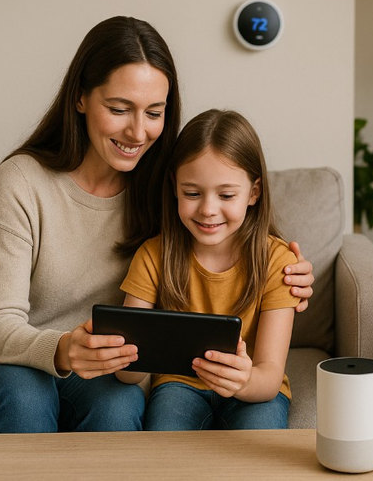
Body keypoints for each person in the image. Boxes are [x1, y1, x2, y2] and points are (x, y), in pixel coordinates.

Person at [0, 16, 314, 433]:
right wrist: (66, 348)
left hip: (112, 362)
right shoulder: (22, 181)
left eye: (154, 112)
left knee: (117, 409)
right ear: (80, 98)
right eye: (119, 109)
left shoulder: (166, 188)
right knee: (25, 400)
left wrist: (289, 272)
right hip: (24, 355)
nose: (138, 132)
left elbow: (228, 233)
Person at [115, 109, 299, 430]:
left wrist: (243, 381)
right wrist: (124, 359)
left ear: (253, 193)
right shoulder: (153, 256)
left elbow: (268, 377)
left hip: (253, 388)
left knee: (260, 448)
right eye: (192, 193)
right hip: (178, 384)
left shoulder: (277, 260)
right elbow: (128, 372)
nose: (208, 210)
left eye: (226, 195)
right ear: (174, 187)